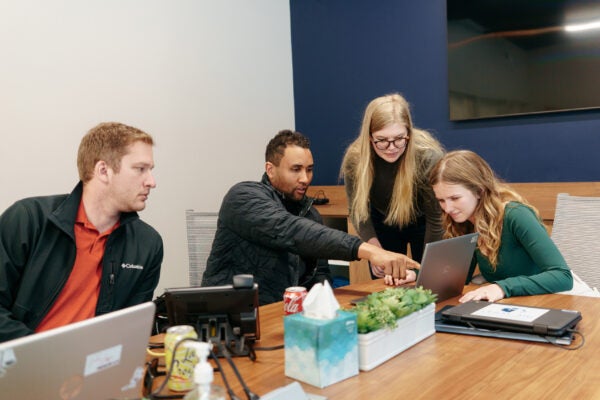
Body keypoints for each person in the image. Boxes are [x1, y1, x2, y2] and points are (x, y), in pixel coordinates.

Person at [201, 129, 418, 305]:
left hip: (282, 318)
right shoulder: (243, 197)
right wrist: (370, 251)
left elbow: (320, 277)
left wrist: (330, 310)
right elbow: (290, 230)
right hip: (228, 315)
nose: (305, 178)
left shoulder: (311, 215)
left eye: (309, 169)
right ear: (270, 169)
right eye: (296, 169)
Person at [0, 122, 163, 342]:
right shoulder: (28, 219)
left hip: (94, 369)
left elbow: (130, 330)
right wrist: (43, 354)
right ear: (103, 171)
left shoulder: (147, 244)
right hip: (22, 365)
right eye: (140, 169)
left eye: (150, 170)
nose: (151, 182)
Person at [428, 150, 573, 303]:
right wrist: (415, 275)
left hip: (550, 300)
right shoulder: (463, 222)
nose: (447, 208)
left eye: (455, 198)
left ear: (479, 191)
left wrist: (501, 288)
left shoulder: (516, 215)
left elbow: (562, 276)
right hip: (511, 304)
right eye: (441, 200)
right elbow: (457, 276)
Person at [341, 93, 445, 281]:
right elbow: (359, 213)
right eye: (381, 140)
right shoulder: (355, 160)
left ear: (409, 134)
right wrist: (375, 252)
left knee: (428, 280)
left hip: (423, 221)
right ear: (369, 137)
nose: (391, 147)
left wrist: (427, 268)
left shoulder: (428, 157)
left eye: (399, 138)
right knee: (387, 281)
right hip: (382, 220)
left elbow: (436, 218)